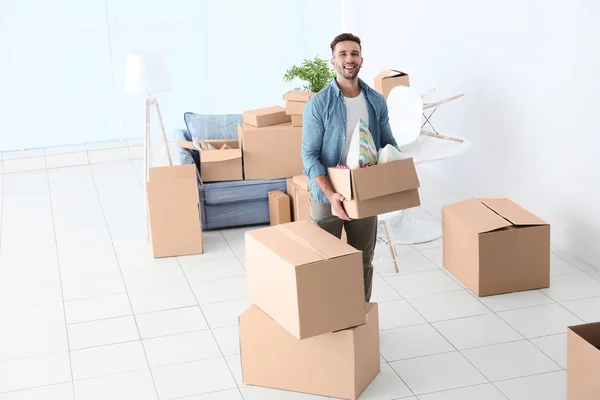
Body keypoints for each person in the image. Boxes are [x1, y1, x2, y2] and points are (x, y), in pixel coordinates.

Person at [301, 33, 399, 302]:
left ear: (361, 60)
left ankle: (359, 322)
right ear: (333, 61)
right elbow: (309, 156)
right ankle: (328, 324)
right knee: (324, 266)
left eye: (354, 54)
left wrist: (391, 175)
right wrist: (331, 194)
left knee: (362, 262)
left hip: (363, 193)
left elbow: (388, 143)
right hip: (326, 197)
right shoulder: (319, 104)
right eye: (342, 54)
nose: (349, 59)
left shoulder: (376, 101)